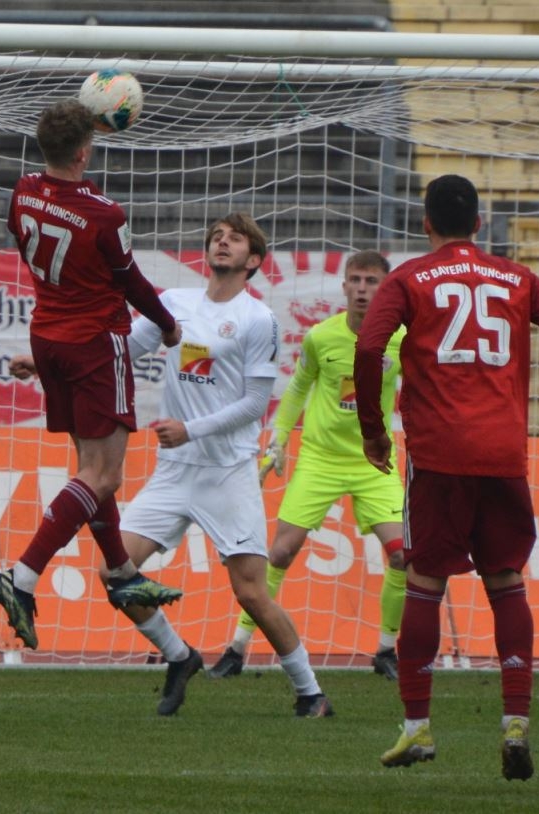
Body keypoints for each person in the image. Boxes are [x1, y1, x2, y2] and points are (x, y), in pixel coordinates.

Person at [356, 175, 539, 780]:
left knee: (424, 582)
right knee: (506, 580)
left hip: (438, 454)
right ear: (479, 224)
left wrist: (373, 431)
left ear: (426, 223)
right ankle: (515, 722)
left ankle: (417, 728)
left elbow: (369, 349)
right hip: (502, 452)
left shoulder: (409, 278)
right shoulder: (516, 277)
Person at [104, 213, 332, 717]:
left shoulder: (258, 319)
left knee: (251, 592)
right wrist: (48, 363)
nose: (222, 242)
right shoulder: (173, 303)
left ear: (254, 260)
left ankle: (311, 691)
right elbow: (121, 351)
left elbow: (255, 405)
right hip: (174, 470)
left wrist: (192, 428)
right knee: (114, 572)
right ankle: (179, 655)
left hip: (227, 472)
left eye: (235, 238)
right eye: (216, 236)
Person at [0, 99, 185, 651]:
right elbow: (131, 281)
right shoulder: (104, 213)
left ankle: (121, 571)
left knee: (89, 468)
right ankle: (22, 576)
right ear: (84, 150)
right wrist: (168, 325)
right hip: (95, 343)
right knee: (104, 475)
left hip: (48, 337)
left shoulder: (23, 191)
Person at [205, 250, 409, 681]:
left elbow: (420, 390)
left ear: (386, 288)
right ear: (344, 286)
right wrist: (279, 437)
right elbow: (298, 388)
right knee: (279, 552)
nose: (361, 289)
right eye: (355, 280)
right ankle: (237, 648)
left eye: (371, 282)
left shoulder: (402, 339)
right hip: (320, 458)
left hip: (374, 462)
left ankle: (386, 650)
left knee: (402, 555)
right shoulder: (321, 337)